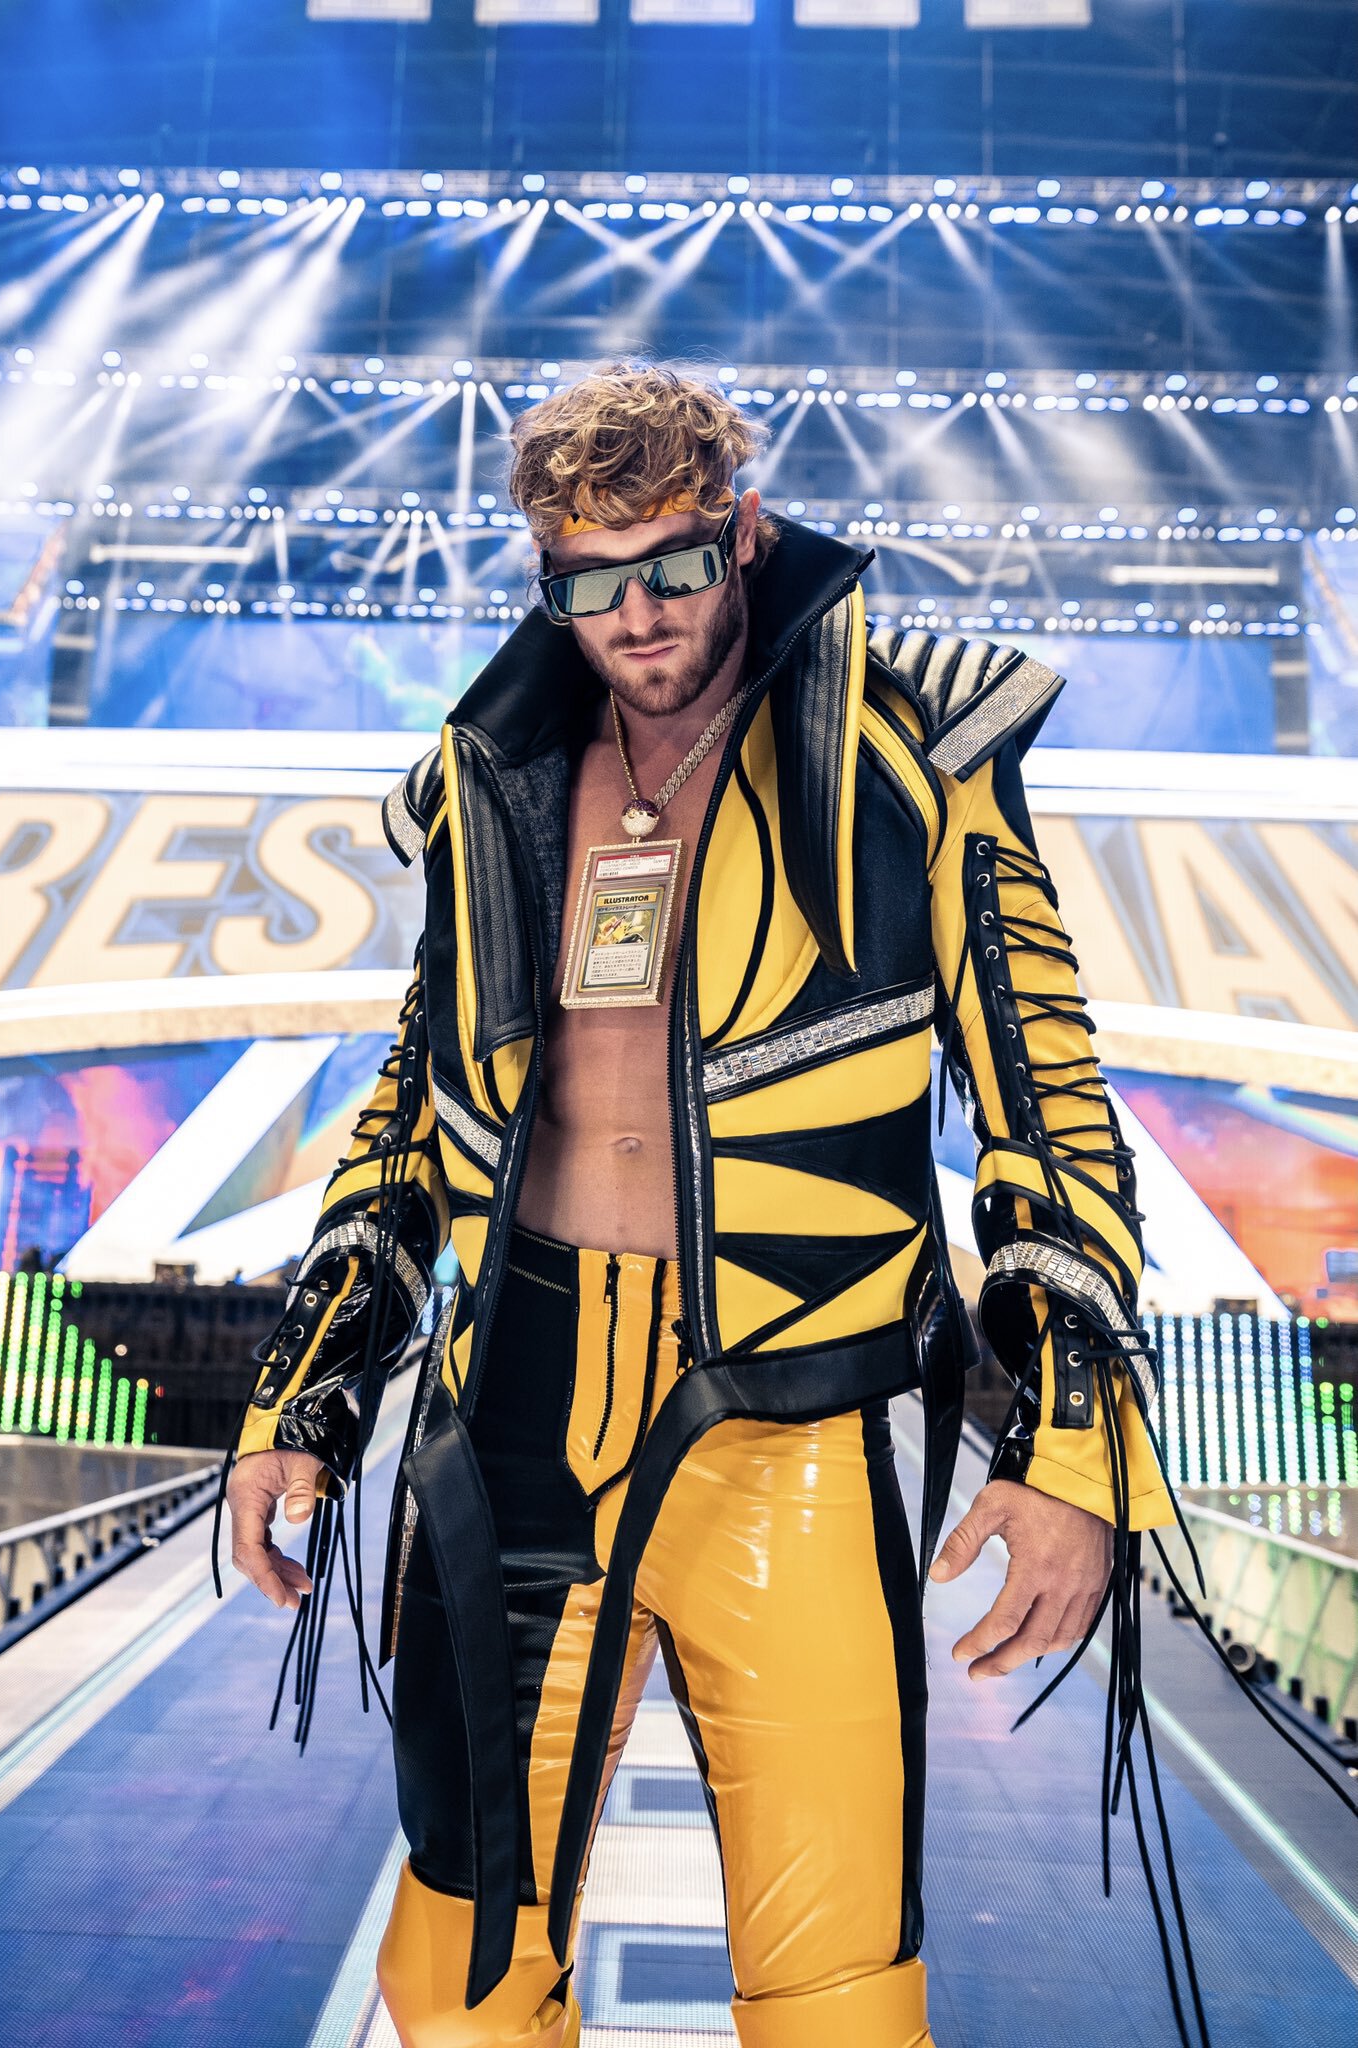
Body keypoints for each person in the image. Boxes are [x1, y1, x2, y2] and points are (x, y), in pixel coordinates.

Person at [216, 362, 1184, 2048]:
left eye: (669, 563)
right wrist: (301, 1397)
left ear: (741, 531)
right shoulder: (489, 773)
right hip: (511, 1414)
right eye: (589, 582)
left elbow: (1045, 1102)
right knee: (452, 1990)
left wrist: (1076, 1453)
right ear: (546, 578)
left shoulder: (912, 742)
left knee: (838, 2008)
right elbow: (416, 1112)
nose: (637, 614)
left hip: (787, 1424)